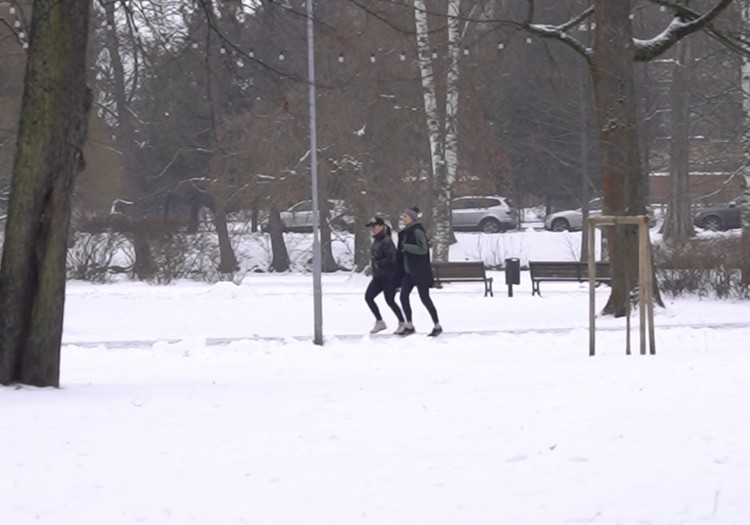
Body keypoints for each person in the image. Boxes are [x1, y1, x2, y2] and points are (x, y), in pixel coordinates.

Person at [396, 207, 442, 337]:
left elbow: (423, 249)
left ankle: (437, 325)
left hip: (419, 271)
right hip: (409, 271)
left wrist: (406, 247)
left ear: (411, 218)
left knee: (425, 298)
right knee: (403, 296)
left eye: (405, 216)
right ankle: (409, 325)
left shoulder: (417, 231)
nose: (403, 219)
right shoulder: (406, 232)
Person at [364, 216, 406, 334]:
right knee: (369, 297)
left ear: (382, 227)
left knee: (390, 301)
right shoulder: (377, 240)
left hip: (389, 276)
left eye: (375, 226)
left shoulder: (386, 241)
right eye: (371, 227)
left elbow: (392, 259)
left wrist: (379, 262)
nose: (372, 229)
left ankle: (402, 322)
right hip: (378, 276)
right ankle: (379, 321)